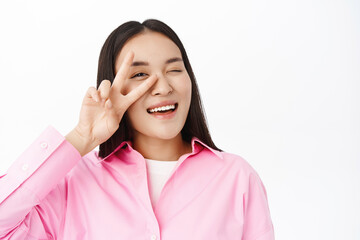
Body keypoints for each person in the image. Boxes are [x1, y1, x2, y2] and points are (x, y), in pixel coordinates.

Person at [0, 19, 274, 240]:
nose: (163, 87)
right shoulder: (73, 182)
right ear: (113, 87)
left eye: (175, 70)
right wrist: (82, 138)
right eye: (140, 74)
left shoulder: (236, 178)